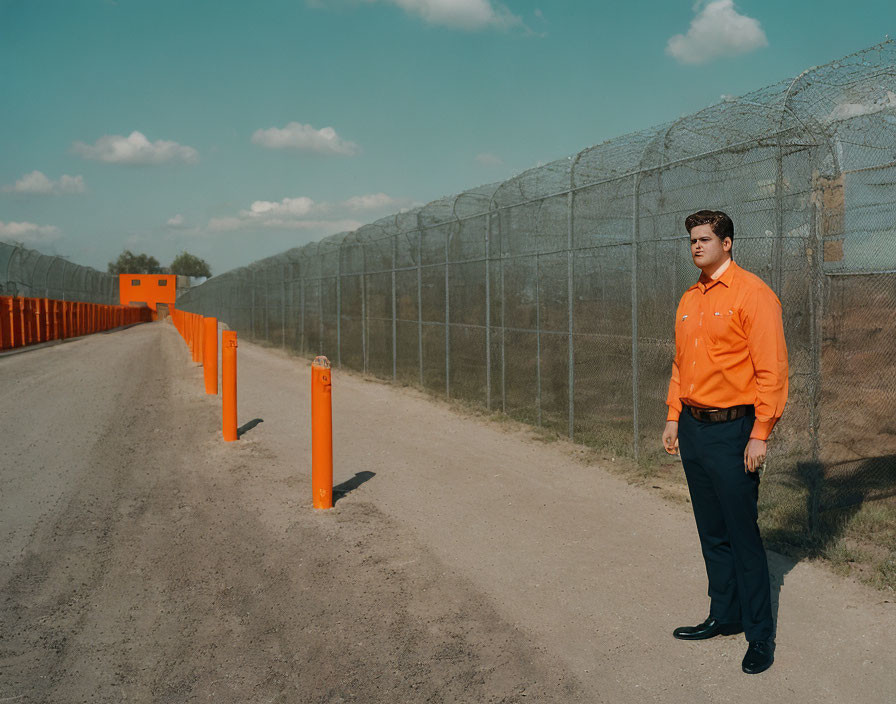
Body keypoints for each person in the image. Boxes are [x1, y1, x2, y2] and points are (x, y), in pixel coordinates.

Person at [661, 210, 788, 675]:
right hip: (694, 429)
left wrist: (760, 434)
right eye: (692, 240)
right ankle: (725, 614)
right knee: (712, 533)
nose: (696, 246)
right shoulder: (689, 298)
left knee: (742, 536)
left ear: (727, 243)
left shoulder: (753, 294)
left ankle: (759, 635)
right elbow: (681, 364)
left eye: (705, 239)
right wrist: (674, 416)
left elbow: (771, 370)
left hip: (735, 430)